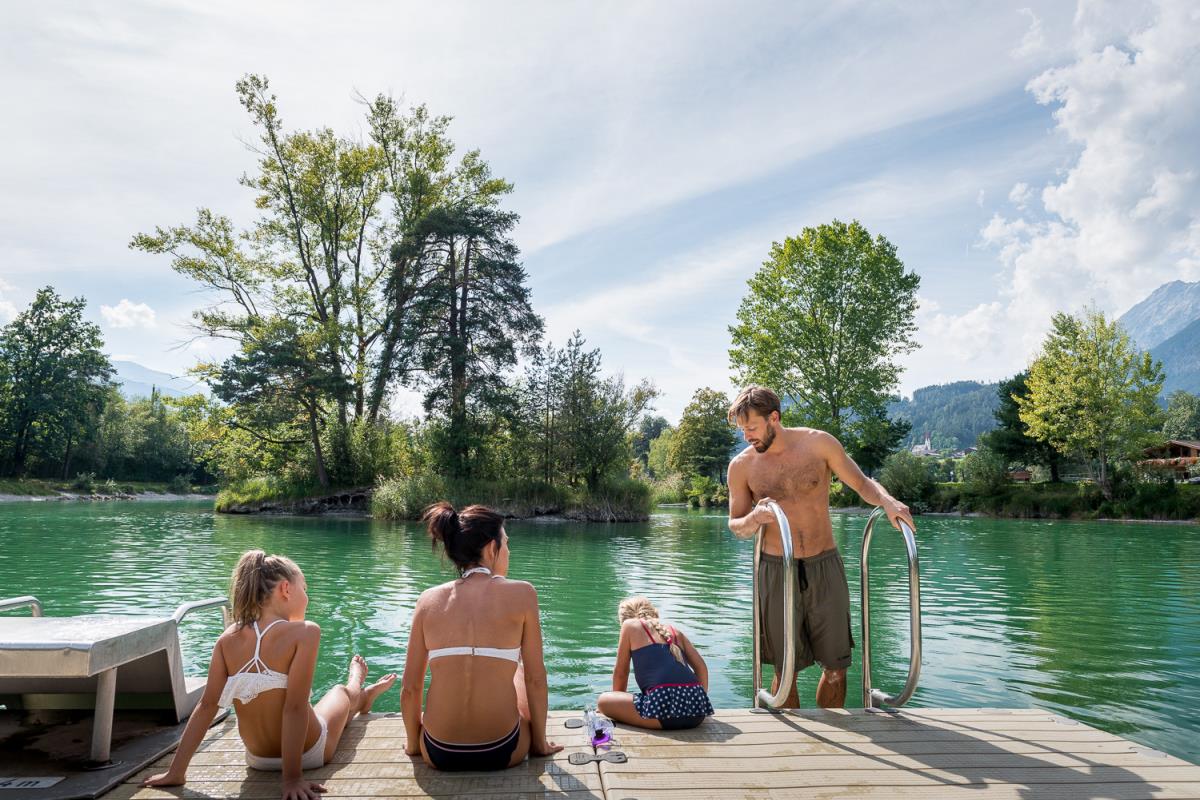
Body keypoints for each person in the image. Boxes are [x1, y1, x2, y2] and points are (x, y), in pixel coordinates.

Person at [141, 550, 396, 800]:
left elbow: (206, 707)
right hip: (309, 753)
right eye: (305, 589)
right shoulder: (305, 632)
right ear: (286, 589)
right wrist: (292, 779)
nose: (307, 596)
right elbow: (294, 708)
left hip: (257, 759)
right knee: (339, 692)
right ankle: (358, 686)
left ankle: (361, 696)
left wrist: (176, 771)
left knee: (323, 707)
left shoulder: (226, 640)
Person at [726, 385, 915, 709]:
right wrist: (755, 518)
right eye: (743, 430)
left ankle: (836, 738)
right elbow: (736, 524)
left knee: (837, 669)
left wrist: (888, 502)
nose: (747, 436)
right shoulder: (741, 467)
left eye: (752, 428)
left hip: (824, 564)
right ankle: (796, 747)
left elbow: (861, 483)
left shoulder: (819, 444)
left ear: (774, 418)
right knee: (785, 672)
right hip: (775, 569)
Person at [400, 502, 562, 771]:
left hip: (438, 750)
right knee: (521, 672)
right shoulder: (523, 594)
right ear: (491, 547)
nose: (508, 551)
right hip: (502, 748)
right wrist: (540, 743)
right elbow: (536, 679)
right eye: (506, 543)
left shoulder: (427, 601)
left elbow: (410, 688)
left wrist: (415, 745)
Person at [597, 596, 713, 730]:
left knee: (603, 701)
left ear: (623, 618)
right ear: (653, 613)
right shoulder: (676, 632)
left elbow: (621, 672)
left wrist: (616, 701)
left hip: (662, 716)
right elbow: (702, 668)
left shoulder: (629, 625)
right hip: (697, 716)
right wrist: (697, 702)